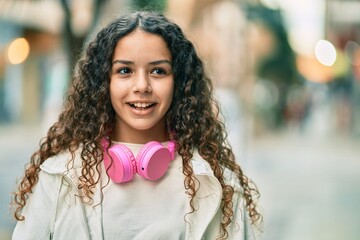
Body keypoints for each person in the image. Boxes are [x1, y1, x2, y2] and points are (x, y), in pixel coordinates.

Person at [12, 11, 261, 240]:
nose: (141, 85)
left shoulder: (217, 183)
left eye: (158, 71)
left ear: (179, 81)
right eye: (124, 70)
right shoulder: (59, 176)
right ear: (104, 82)